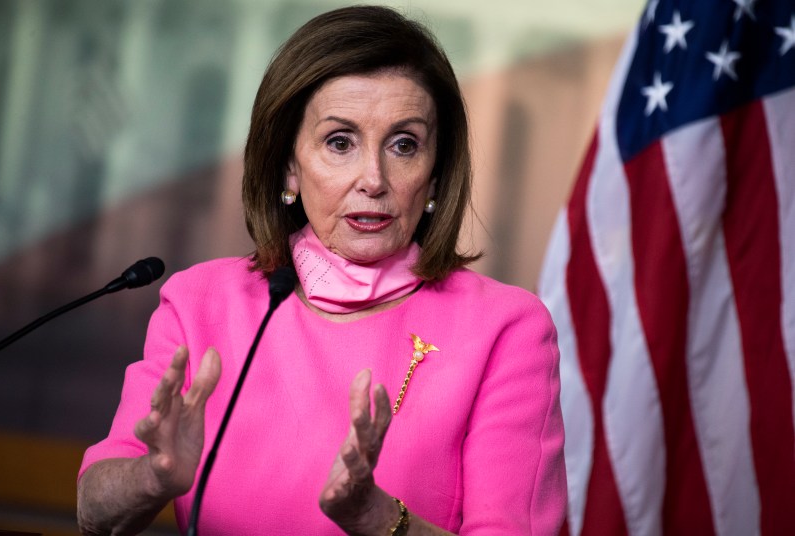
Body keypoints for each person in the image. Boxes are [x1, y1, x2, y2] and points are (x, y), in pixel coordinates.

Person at [76, 5, 566, 535]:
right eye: (340, 142)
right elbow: (93, 512)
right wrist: (151, 477)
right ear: (289, 164)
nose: (373, 178)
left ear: (436, 172)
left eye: (404, 145)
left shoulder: (506, 329)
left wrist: (379, 519)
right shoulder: (202, 302)